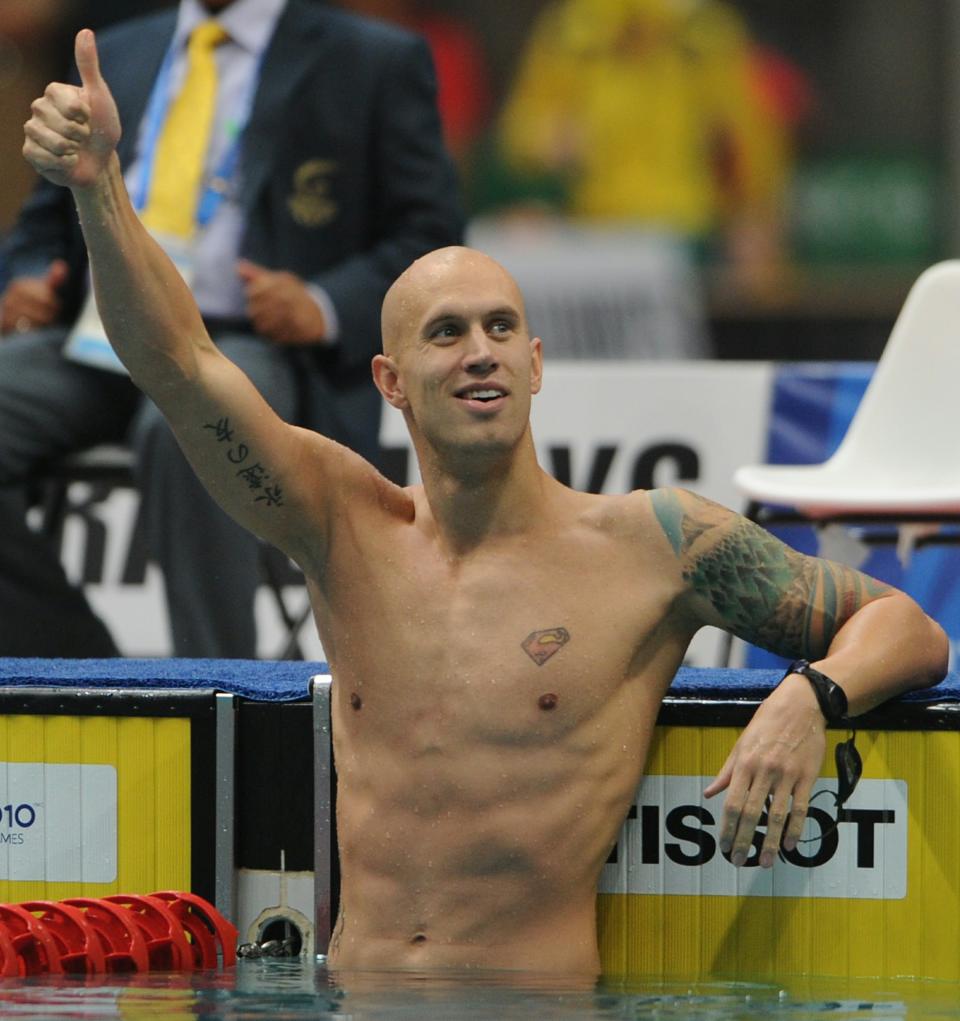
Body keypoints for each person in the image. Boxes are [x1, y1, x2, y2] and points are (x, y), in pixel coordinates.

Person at [23, 30, 948, 975]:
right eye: (447, 332)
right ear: (389, 379)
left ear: (536, 362)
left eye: (502, 327)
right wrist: (99, 190)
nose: (480, 351)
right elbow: (181, 365)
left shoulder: (651, 542)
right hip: (358, 996)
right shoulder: (345, 527)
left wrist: (811, 696)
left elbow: (909, 626)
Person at [0, 0, 462, 657]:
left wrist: (323, 301)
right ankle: (83, 669)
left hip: (250, 342)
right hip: (98, 337)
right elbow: (46, 212)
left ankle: (218, 688)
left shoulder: (372, 59)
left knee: (190, 424)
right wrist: (26, 276)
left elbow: (432, 232)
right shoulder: (118, 52)